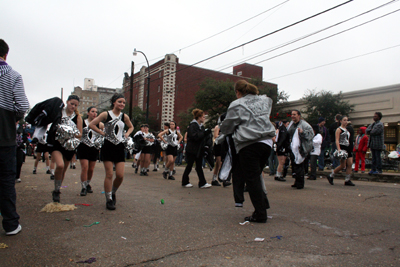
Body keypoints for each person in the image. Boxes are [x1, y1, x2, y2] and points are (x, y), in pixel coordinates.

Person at [220, 80, 275, 223]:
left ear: (238, 92)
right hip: (267, 143)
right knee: (256, 175)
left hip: (249, 143)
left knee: (252, 179)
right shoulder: (265, 100)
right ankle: (263, 206)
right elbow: (268, 104)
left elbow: (227, 127)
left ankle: (260, 213)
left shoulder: (237, 104)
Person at [0, 39, 29, 235]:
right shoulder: (13, 75)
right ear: (6, 54)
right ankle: (10, 223)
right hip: (4, 134)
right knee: (5, 180)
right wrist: (15, 118)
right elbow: (22, 106)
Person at [89, 93, 134, 210]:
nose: (122, 104)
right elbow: (92, 124)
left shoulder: (124, 116)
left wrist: (127, 134)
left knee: (120, 175)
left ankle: (113, 192)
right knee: (109, 174)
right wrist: (103, 133)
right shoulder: (106, 114)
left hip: (119, 146)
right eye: (119, 101)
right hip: (108, 146)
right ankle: (108, 199)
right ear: (114, 102)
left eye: (123, 102)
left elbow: (131, 127)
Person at [47, 95, 83, 203]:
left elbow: (80, 134)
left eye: (75, 105)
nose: (73, 106)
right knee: (60, 165)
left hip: (69, 145)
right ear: (67, 102)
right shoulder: (59, 112)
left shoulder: (78, 117)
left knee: (63, 170)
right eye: (71, 103)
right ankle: (57, 190)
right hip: (57, 144)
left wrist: (69, 132)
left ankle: (57, 190)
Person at [181, 109, 212, 189]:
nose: (204, 118)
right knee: (190, 165)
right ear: (199, 117)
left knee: (198, 166)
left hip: (198, 149)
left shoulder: (200, 126)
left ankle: (202, 182)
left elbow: (201, 137)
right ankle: (185, 181)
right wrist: (204, 133)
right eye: (203, 117)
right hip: (192, 149)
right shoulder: (193, 125)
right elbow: (194, 137)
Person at [77, 106, 104, 196]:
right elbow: (78, 133)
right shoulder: (83, 122)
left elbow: (104, 135)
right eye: (92, 111)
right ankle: (83, 187)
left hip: (94, 148)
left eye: (96, 112)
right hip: (83, 146)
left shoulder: (100, 124)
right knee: (85, 167)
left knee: (91, 169)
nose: (94, 113)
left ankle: (88, 183)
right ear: (88, 113)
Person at [287, 110, 314, 189]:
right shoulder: (291, 124)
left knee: (300, 165)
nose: (293, 116)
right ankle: (296, 181)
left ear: (299, 115)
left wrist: (303, 132)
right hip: (293, 148)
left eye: (294, 114)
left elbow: (311, 135)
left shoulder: (305, 125)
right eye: (292, 114)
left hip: (301, 148)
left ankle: (300, 183)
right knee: (294, 165)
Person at [327, 116, 355, 186]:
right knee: (343, 165)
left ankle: (347, 179)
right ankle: (331, 175)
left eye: (347, 120)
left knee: (350, 163)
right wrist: (339, 149)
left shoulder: (347, 129)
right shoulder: (339, 129)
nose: (346, 121)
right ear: (341, 121)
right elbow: (337, 140)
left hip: (348, 147)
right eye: (344, 120)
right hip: (342, 147)